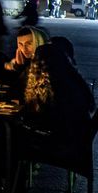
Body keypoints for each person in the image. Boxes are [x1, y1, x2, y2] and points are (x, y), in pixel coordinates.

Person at [19, 43, 96, 173]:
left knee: (13, 138)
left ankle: (13, 181)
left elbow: (41, 119)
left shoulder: (52, 89)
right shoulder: (73, 81)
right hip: (78, 144)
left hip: (62, 147)